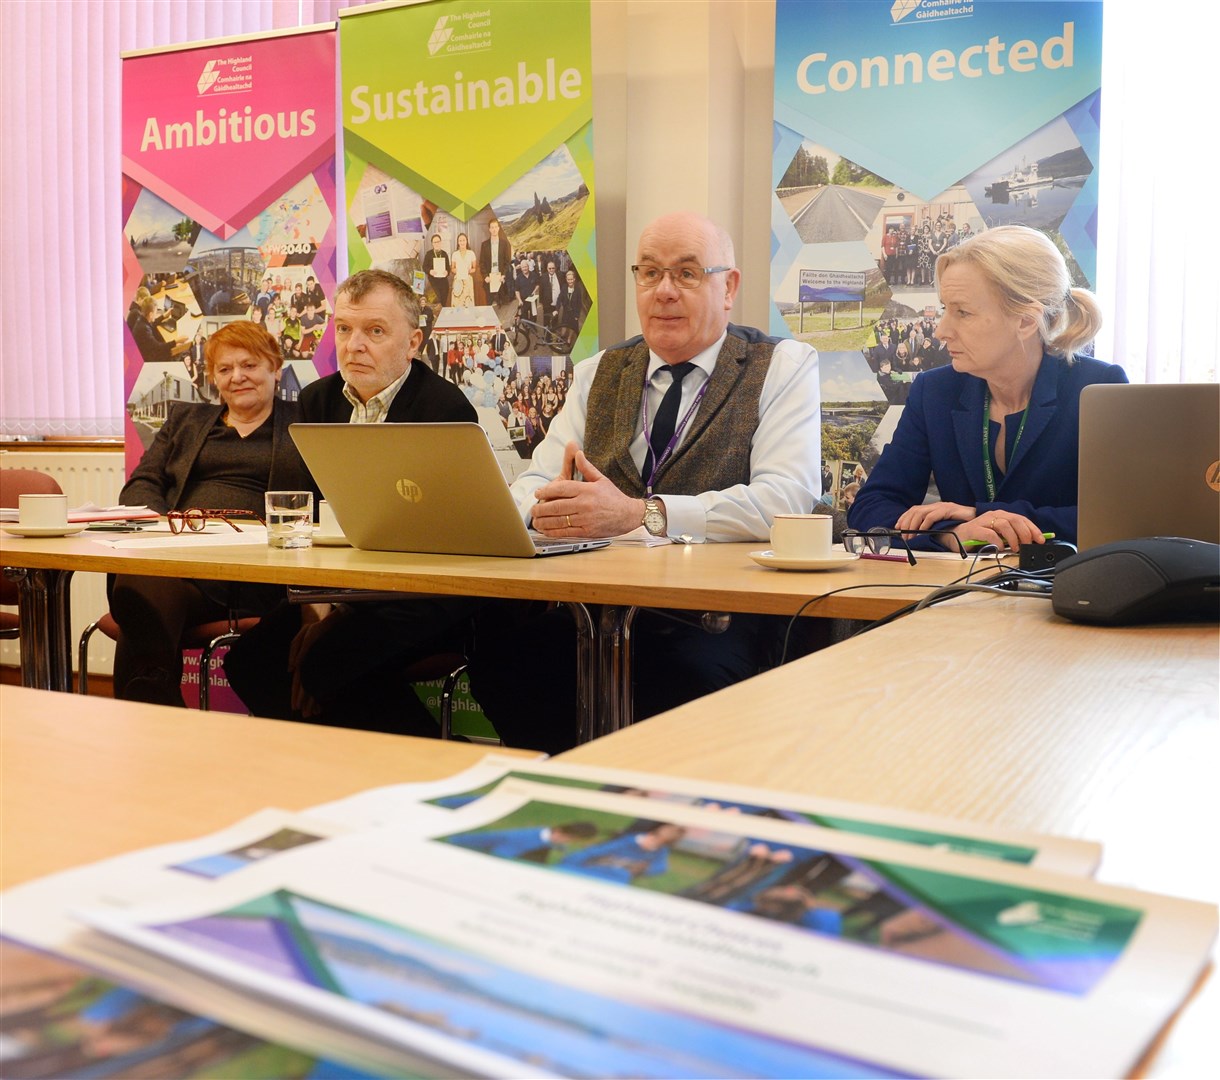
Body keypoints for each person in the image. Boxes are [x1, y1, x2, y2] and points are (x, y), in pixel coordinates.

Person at [467, 211, 821, 753]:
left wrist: (640, 513)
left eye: (686, 274)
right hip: (591, 609)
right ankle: (567, 803)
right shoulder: (598, 371)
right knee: (505, 659)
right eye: (649, 273)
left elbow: (785, 501)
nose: (664, 292)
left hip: (712, 618)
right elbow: (538, 478)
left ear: (729, 288)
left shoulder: (781, 366)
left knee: (680, 683)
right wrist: (510, 514)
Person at [223, 269, 477, 734]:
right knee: (249, 661)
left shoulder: (444, 409)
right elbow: (305, 512)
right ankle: (335, 763)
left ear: (414, 342)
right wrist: (317, 605)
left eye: (375, 331)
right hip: (341, 584)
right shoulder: (320, 401)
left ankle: (421, 756)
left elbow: (437, 540)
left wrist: (338, 616)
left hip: (424, 589)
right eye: (344, 329)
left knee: (323, 664)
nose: (354, 344)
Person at [848, 224, 1128, 550]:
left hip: (1068, 592)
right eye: (944, 310)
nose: (941, 331)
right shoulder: (935, 391)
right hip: (955, 594)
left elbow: (1122, 518)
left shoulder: (1098, 389)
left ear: (1025, 321)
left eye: (962, 312)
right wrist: (950, 533)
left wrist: (982, 514)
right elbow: (871, 507)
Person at [110, 321, 311, 705]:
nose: (238, 377)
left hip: (251, 572)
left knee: (141, 589)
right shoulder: (186, 421)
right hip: (179, 559)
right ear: (213, 377)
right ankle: (155, 692)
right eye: (224, 369)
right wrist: (163, 528)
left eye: (250, 365)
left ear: (275, 368)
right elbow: (142, 484)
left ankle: (149, 706)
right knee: (144, 576)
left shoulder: (303, 422)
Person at [478, 218, 513, 306]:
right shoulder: (484, 245)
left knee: (503, 305)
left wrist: (503, 275)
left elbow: (507, 261)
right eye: (492, 227)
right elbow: (481, 262)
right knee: (490, 304)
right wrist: (485, 276)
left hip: (500, 278)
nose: (494, 229)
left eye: (495, 227)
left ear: (498, 228)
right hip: (489, 279)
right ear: (489, 229)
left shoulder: (504, 244)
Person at [449, 232, 476, 308]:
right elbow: (452, 269)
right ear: (458, 242)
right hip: (458, 280)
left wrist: (469, 271)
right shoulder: (455, 254)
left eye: (464, 240)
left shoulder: (471, 253)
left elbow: (474, 268)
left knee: (467, 301)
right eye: (460, 240)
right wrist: (457, 271)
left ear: (466, 241)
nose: (462, 242)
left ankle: (468, 318)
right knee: (457, 301)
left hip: (468, 280)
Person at [424, 233, 450, 307]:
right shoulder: (428, 254)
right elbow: (424, 267)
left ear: (441, 242)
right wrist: (430, 271)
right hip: (433, 282)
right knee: (437, 301)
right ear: (432, 243)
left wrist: (447, 272)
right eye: (435, 242)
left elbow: (448, 267)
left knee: (444, 302)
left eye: (438, 241)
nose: (437, 243)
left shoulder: (444, 254)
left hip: (444, 282)